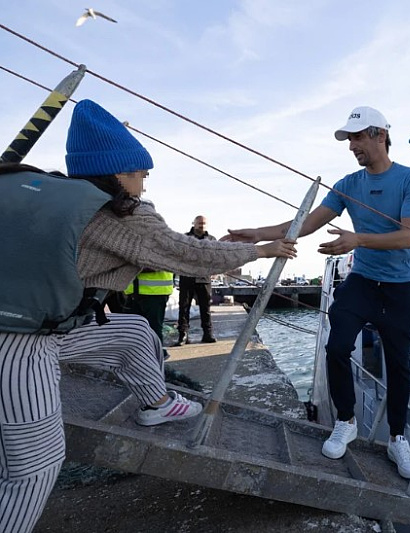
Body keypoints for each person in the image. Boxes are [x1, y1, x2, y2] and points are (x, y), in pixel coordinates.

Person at [0, 99, 297, 533]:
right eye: (141, 173)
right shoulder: (122, 213)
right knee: (34, 468)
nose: (143, 183)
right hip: (18, 345)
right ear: (120, 172)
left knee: (136, 331)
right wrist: (262, 250)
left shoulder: (45, 193)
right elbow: (187, 252)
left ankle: (156, 404)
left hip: (43, 329)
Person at [225, 106, 410, 479]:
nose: (351, 146)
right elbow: (303, 225)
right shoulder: (348, 184)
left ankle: (398, 439)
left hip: (399, 288)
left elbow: (408, 236)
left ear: (380, 135)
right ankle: (346, 420)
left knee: (398, 366)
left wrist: (356, 239)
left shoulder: (409, 180)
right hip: (363, 282)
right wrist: (254, 234)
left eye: (357, 137)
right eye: (349, 139)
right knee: (336, 347)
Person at [176, 215, 217, 345]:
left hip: (204, 278)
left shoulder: (212, 240)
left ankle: (208, 334)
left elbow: (217, 257)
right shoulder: (184, 238)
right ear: (193, 223)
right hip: (187, 277)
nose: (201, 225)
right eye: (199, 223)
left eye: (204, 223)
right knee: (184, 307)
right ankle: (183, 336)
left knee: (206, 308)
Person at [124, 269, 174, 344]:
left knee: (153, 329)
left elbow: (156, 264)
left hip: (155, 292)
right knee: (133, 330)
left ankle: (158, 353)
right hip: (135, 292)